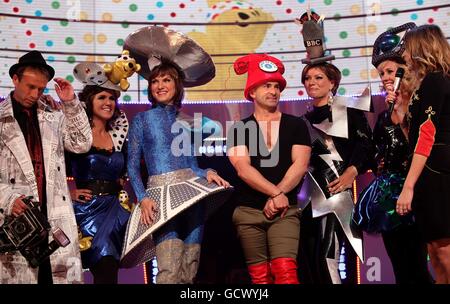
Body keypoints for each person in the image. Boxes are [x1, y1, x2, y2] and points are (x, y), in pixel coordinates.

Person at [124, 26, 231, 284]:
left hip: (192, 196)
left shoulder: (187, 121)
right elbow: (131, 166)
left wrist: (208, 172)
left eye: (166, 80)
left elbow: (191, 164)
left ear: (177, 84)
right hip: (160, 198)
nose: (160, 86)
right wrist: (142, 198)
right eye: (155, 81)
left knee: (189, 269)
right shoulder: (142, 120)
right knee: (169, 269)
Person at [0, 50, 92, 283]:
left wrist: (70, 102)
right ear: (15, 79)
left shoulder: (52, 115)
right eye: (30, 86)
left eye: (40, 89)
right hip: (17, 223)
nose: (35, 94)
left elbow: (81, 143)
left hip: (54, 222)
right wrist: (7, 199)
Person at [353, 23, 432, 284]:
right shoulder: (384, 113)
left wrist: (400, 113)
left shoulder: (420, 104)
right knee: (400, 270)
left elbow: (420, 145)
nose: (385, 77)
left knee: (419, 268)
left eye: (389, 71)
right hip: (389, 200)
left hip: (416, 195)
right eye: (380, 73)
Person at [227, 53, 311, 284]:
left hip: (285, 212)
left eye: (276, 86)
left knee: (286, 272)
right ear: (252, 92)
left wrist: (279, 197)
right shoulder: (238, 129)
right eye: (266, 85)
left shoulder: (296, 125)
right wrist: (275, 194)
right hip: (248, 212)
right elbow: (243, 168)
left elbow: (300, 165)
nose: (273, 91)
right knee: (260, 279)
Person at [396, 24, 450, 284]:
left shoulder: (437, 80)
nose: (403, 54)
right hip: (427, 174)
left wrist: (408, 186)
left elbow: (427, 136)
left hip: (437, 174)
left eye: (406, 48)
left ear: (420, 48)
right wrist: (402, 117)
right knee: (434, 251)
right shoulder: (424, 84)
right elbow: (415, 136)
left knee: (444, 251)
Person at [67, 81, 131, 284]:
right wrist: (68, 194)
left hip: (115, 211)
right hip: (88, 212)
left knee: (109, 270)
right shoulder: (76, 137)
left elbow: (127, 171)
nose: (108, 102)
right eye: (102, 97)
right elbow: (54, 169)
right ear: (89, 102)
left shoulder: (119, 138)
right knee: (102, 266)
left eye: (112, 98)